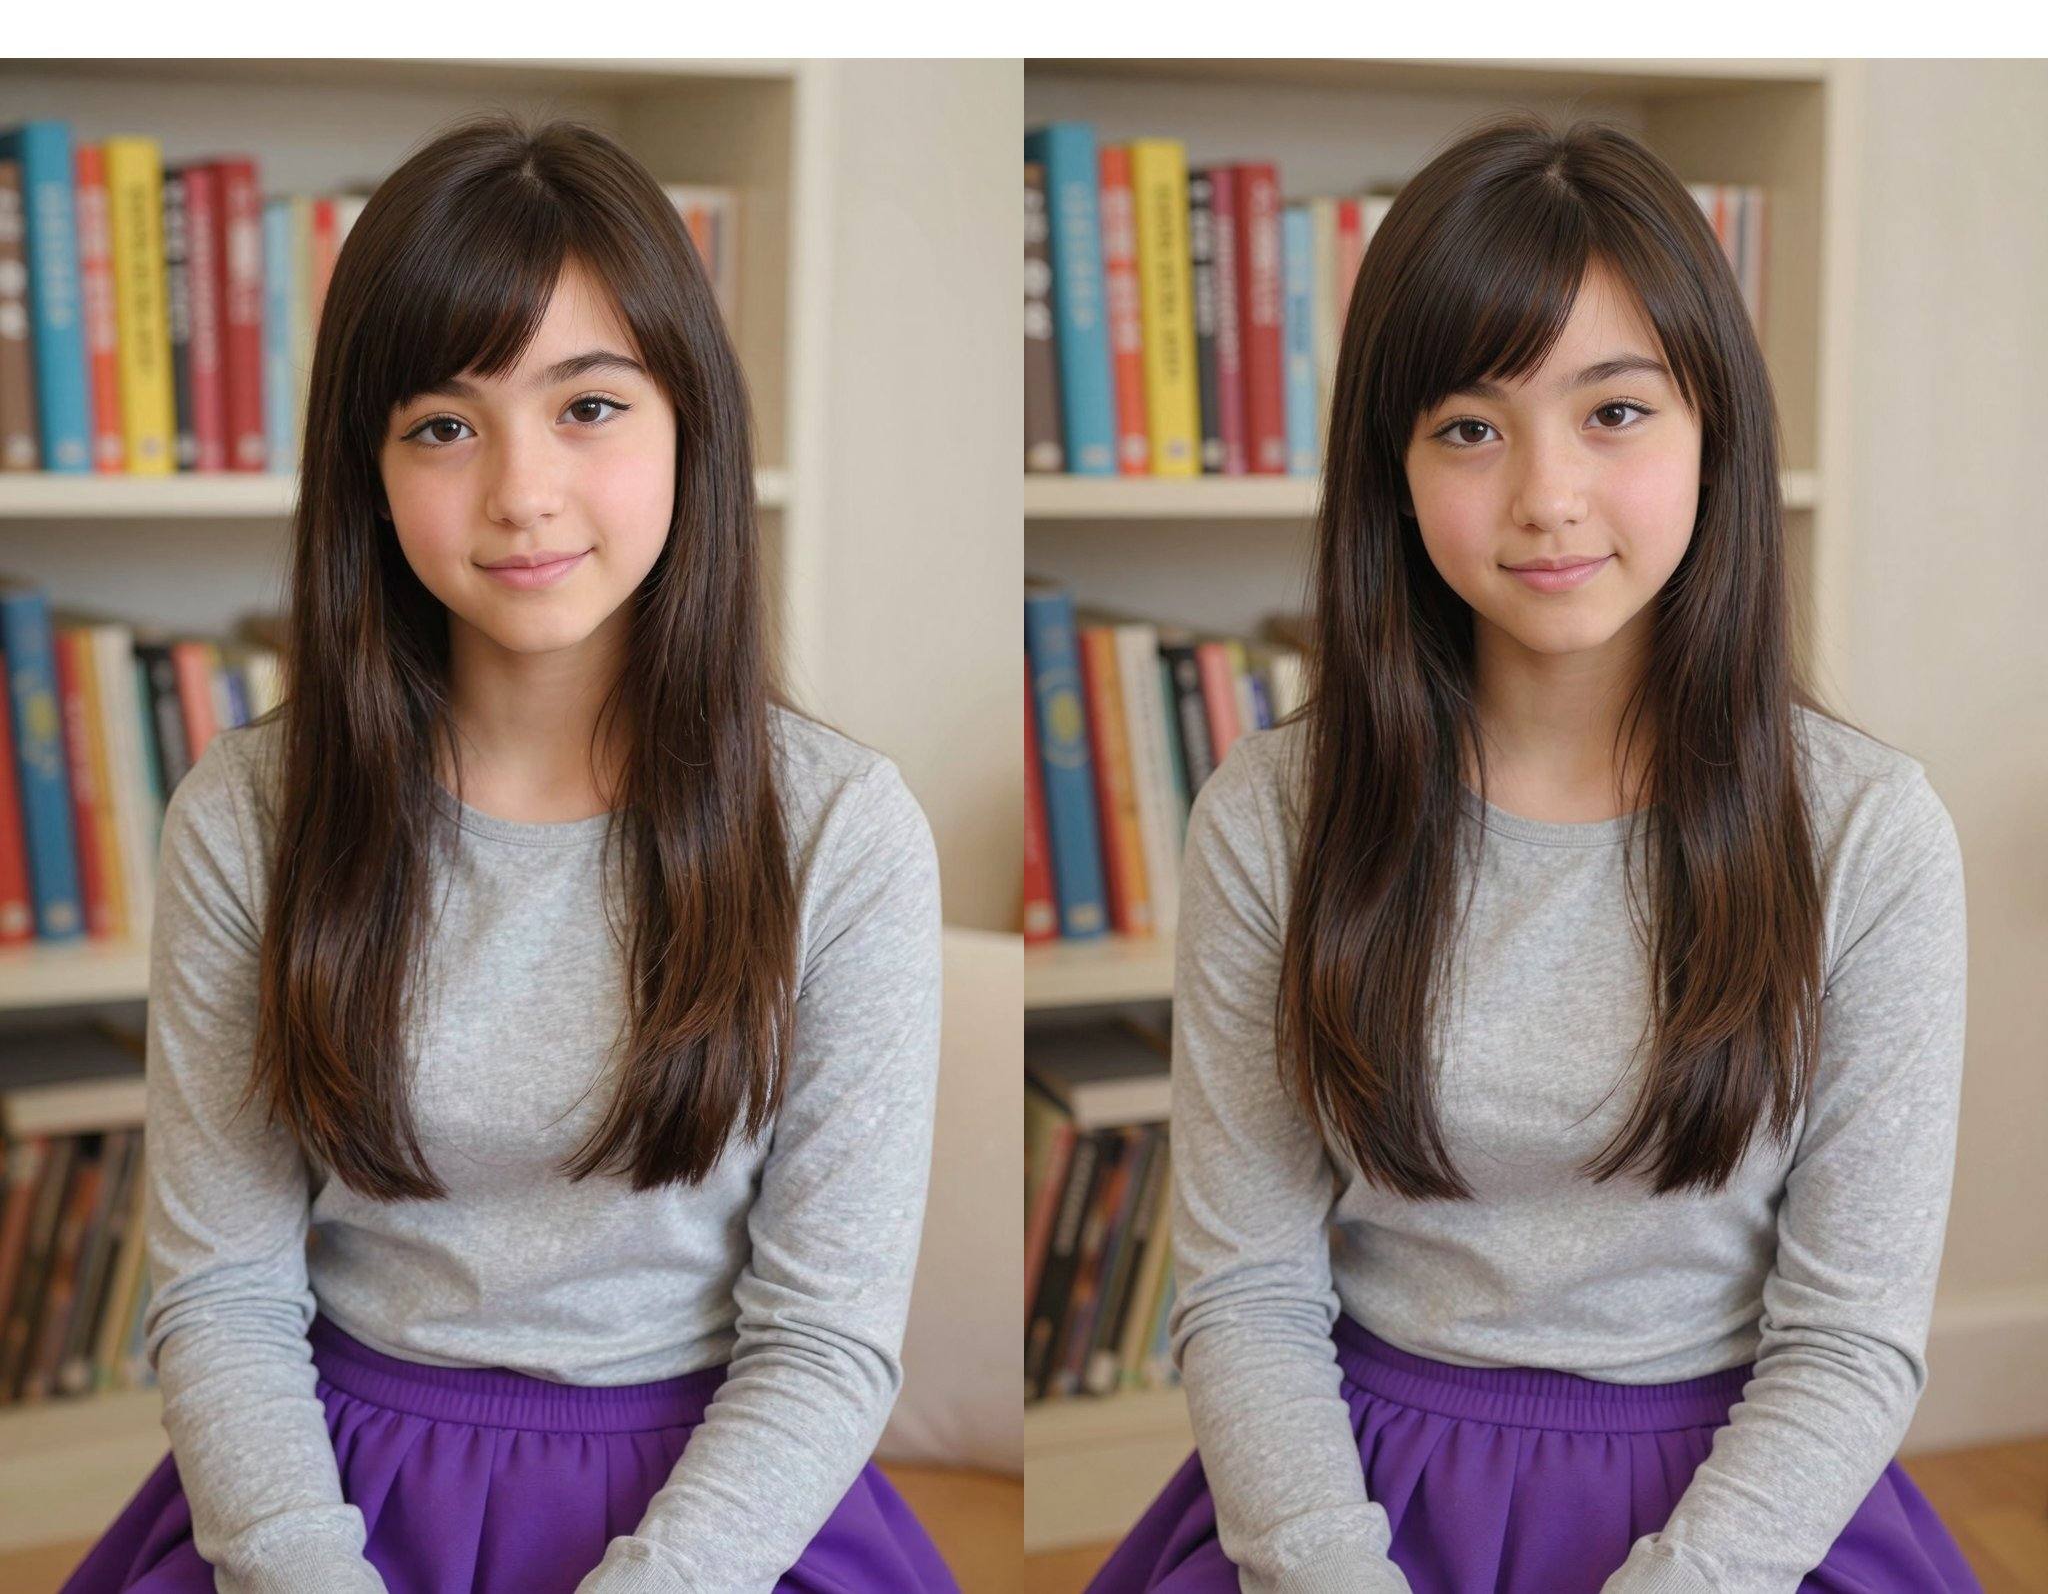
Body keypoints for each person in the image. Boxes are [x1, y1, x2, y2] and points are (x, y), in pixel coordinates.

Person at [63, 116, 958, 1594]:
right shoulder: (251, 810)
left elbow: (824, 1341)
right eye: (443, 425)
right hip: (324, 1507)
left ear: (691, 424)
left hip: (714, 1519)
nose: (521, 493)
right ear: (370, 467)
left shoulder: (841, 828)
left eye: (589, 407)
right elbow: (222, 1295)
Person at [1087, 116, 1979, 1593]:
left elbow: (1848, 1342)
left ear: (1716, 432)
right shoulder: (1275, 809)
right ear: (1396, 464)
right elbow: (1246, 1292)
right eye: (1469, 427)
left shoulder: (1868, 831)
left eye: (1615, 413)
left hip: (1737, 1519)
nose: (1546, 495)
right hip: (1348, 1506)